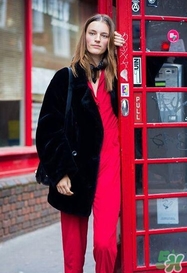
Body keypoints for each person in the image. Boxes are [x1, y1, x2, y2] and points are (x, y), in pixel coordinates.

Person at [36, 14, 125, 273]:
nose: (97, 39)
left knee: (106, 245)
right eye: (92, 33)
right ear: (84, 36)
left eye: (104, 35)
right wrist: (60, 171)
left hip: (110, 169)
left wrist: (128, 48)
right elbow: (48, 128)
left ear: (110, 40)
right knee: (74, 257)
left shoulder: (119, 76)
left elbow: (149, 75)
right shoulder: (65, 78)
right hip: (74, 172)